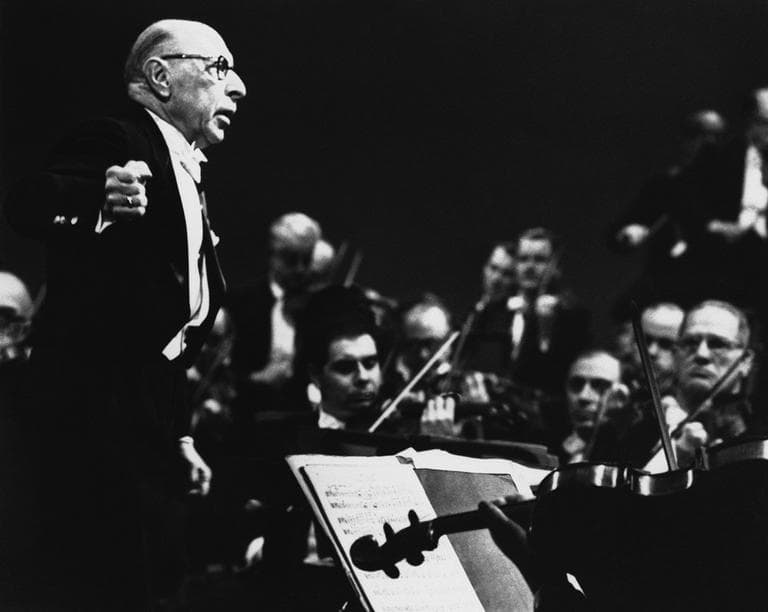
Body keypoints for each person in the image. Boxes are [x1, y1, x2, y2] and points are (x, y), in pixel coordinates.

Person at [2, 19, 246, 608]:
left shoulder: (187, 167)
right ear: (160, 76)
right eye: (219, 68)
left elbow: (169, 335)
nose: (237, 87)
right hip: (91, 428)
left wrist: (181, 433)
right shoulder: (118, 141)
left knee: (154, 586)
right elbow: (28, 202)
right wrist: (98, 200)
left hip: (147, 426)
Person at [463, 228, 591, 395]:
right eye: (523, 259)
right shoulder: (496, 311)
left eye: (539, 260)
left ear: (556, 267)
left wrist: (545, 334)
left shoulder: (572, 315)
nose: (529, 267)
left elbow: (564, 378)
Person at [228, 212, 322, 414]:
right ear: (272, 255)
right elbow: (221, 375)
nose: (300, 269)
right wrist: (256, 379)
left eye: (306, 260)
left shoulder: (315, 306)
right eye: (291, 260)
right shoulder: (243, 301)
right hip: (247, 414)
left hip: (298, 418)